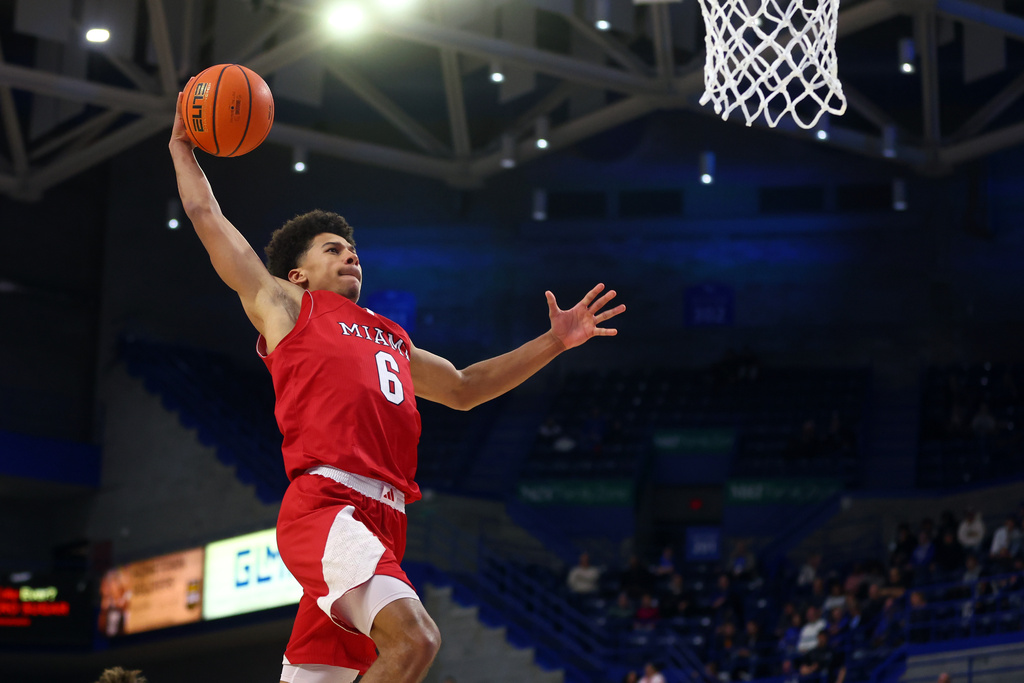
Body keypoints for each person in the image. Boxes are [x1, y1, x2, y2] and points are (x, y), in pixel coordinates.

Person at [169, 86, 626, 683]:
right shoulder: (287, 308)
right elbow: (208, 219)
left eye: (354, 249)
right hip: (326, 507)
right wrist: (183, 146)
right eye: (334, 249)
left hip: (385, 518)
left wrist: (555, 342)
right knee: (416, 642)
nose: (351, 255)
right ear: (298, 273)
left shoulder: (390, 337)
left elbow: (465, 387)